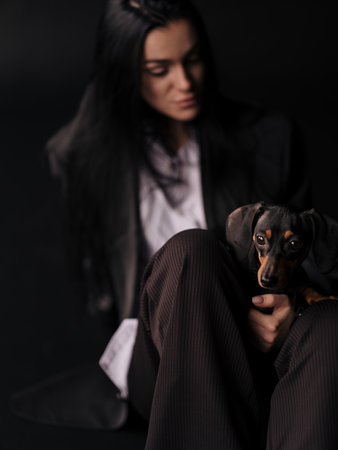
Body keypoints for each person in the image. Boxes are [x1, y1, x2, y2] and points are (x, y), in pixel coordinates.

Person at [11, 0, 338, 449]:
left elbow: (306, 258)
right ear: (123, 73)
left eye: (194, 59)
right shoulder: (84, 158)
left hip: (269, 338)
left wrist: (291, 313)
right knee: (192, 252)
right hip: (167, 352)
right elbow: (103, 294)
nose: (184, 82)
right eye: (158, 69)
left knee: (329, 323)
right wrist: (216, 316)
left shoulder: (271, 138)